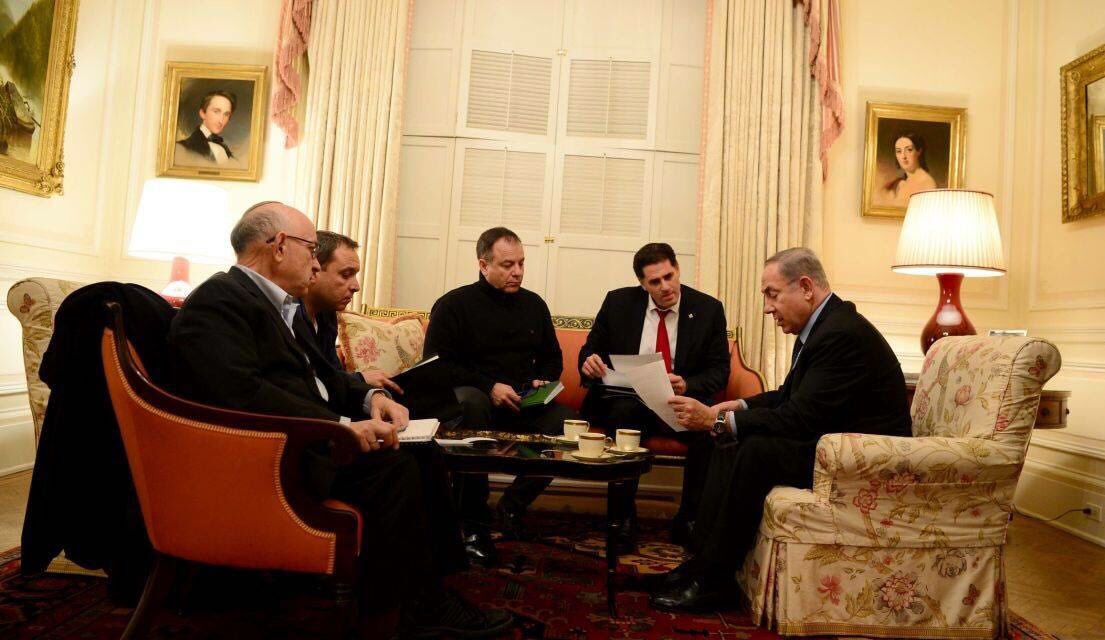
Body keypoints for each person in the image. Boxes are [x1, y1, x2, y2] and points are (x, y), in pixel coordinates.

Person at [168, 202, 511, 638]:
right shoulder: (220, 301)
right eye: (311, 249)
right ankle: (388, 613)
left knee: (423, 452)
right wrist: (341, 427)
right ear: (279, 246)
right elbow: (241, 394)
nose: (315, 263)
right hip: (269, 462)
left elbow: (324, 377)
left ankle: (430, 592)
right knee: (397, 469)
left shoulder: (278, 306)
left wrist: (370, 398)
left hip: (299, 444)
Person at [649, 247, 912, 613]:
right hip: (831, 440)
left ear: (805, 287)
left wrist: (715, 419)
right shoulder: (824, 326)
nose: (767, 308)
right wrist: (738, 407)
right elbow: (790, 396)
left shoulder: (840, 334)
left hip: (859, 457)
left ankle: (716, 580)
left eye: (772, 295)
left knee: (754, 449)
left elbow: (799, 417)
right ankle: (702, 565)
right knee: (721, 441)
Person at [423, 226, 580, 566]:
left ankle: (512, 505)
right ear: (484, 265)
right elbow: (437, 365)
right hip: (475, 403)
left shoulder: (534, 304)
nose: (518, 272)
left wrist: (543, 380)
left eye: (521, 263)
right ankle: (473, 524)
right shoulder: (454, 305)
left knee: (569, 424)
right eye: (508, 265)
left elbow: (553, 359)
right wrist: (489, 386)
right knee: (472, 403)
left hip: (523, 403)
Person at [578, 242, 729, 547]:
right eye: (655, 282)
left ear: (677, 269)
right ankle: (622, 517)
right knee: (625, 416)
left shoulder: (708, 309)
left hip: (677, 401)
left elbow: (719, 371)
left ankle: (689, 519)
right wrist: (588, 362)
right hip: (629, 402)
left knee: (707, 432)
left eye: (669, 276)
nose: (665, 287)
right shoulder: (618, 303)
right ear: (642, 283)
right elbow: (591, 351)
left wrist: (687, 384)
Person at [295, 230, 460, 422]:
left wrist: (368, 390)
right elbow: (308, 385)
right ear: (314, 269)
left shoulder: (326, 315)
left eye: (355, 275)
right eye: (346, 274)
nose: (356, 286)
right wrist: (360, 380)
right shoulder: (287, 316)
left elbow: (332, 374)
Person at [176, 90, 237, 166]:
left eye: (226, 114)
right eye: (216, 112)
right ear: (202, 113)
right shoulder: (182, 148)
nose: (221, 120)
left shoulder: (225, 150)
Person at [877, 132, 937, 207]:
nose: (903, 156)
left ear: (919, 151)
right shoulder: (899, 183)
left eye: (909, 150)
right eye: (899, 151)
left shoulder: (927, 183)